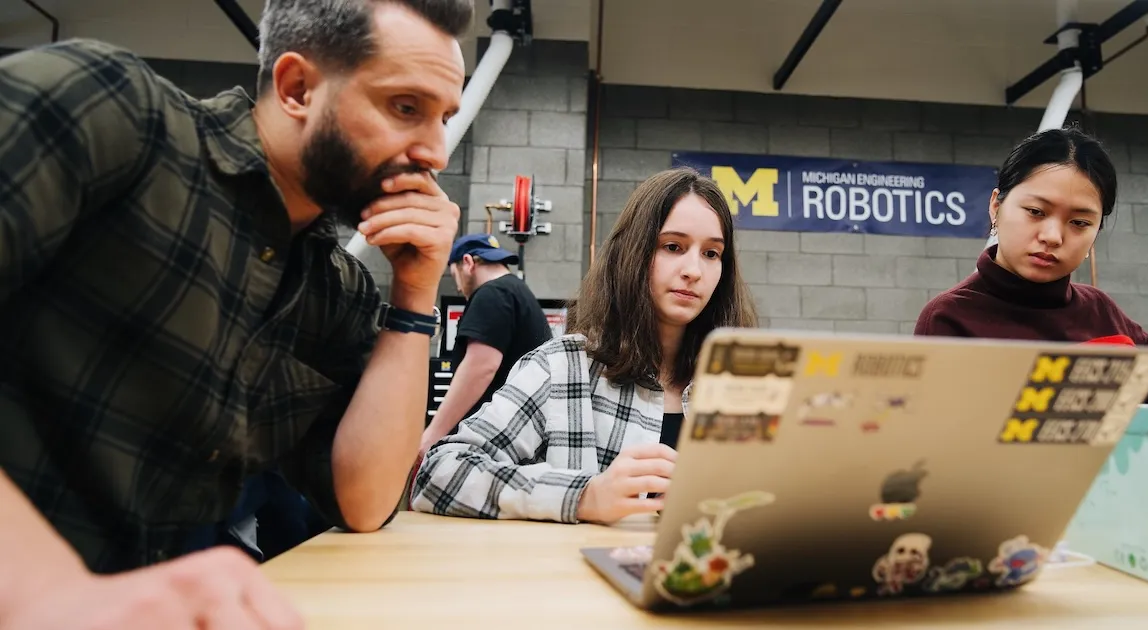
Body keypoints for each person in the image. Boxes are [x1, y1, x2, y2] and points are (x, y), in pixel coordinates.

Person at [0, 0, 472, 627]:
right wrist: (48, 591)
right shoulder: (116, 113)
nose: (435, 152)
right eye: (405, 108)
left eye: (444, 118)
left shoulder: (336, 289)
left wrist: (415, 294)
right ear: (297, 87)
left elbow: (365, 503)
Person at [409, 167, 759, 524]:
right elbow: (438, 474)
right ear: (633, 254)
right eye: (673, 247)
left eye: (712, 254)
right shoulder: (562, 368)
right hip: (584, 577)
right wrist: (583, 496)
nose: (694, 270)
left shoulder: (741, 385)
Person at [915, 127, 1148, 397]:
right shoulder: (949, 318)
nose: (1052, 237)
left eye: (1079, 222)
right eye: (1036, 211)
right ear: (996, 207)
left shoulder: (1101, 311)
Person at [418, 234, 553, 454]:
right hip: (518, 437)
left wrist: (434, 435)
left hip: (489, 439)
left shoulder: (492, 293)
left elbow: (480, 367)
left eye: (455, 276)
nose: (459, 289)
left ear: (468, 263)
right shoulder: (517, 292)